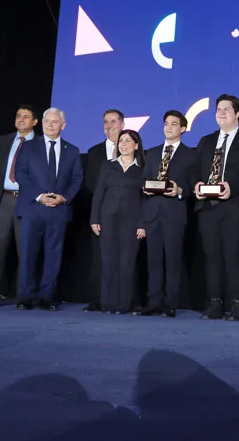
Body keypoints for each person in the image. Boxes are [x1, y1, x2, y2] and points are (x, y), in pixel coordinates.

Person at [193, 94, 239, 321]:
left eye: (226, 109)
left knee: (233, 256)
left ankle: (236, 304)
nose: (221, 113)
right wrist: (196, 184)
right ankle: (214, 303)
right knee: (211, 256)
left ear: (237, 113)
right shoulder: (205, 141)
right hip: (208, 207)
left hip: (235, 207)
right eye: (218, 110)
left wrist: (231, 187)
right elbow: (194, 169)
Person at [15, 107, 83, 311]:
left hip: (58, 210)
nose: (50, 125)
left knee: (54, 256)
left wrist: (64, 197)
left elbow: (76, 178)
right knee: (28, 254)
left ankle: (47, 297)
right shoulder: (28, 147)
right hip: (33, 208)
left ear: (63, 125)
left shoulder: (72, 150)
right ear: (42, 123)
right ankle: (25, 297)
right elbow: (21, 174)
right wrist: (39, 196)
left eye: (55, 122)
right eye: (47, 121)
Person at [137, 110, 196, 318]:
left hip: (174, 213)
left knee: (172, 260)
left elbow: (192, 186)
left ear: (182, 129)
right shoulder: (151, 153)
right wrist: (143, 188)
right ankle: (153, 302)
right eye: (166, 123)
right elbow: (143, 180)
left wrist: (180, 191)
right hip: (152, 212)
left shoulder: (190, 154)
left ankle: (170, 303)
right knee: (153, 261)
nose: (168, 127)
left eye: (173, 124)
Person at [0, 105, 38, 307]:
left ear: (35, 122)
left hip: (27, 201)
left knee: (26, 249)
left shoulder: (40, 144)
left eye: (26, 117)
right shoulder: (2, 141)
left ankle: (25, 294)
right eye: (18, 116)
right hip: (4, 200)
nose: (21, 119)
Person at [90, 130, 146, 314]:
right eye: (121, 141)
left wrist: (142, 223)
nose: (123, 144)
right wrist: (94, 219)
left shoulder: (143, 168)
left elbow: (145, 199)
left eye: (128, 141)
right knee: (108, 262)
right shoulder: (108, 166)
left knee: (127, 263)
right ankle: (108, 303)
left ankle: (124, 305)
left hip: (131, 220)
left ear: (136, 145)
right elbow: (99, 194)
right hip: (108, 218)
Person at [82, 109, 124, 312]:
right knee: (99, 256)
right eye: (106, 122)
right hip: (101, 211)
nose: (109, 125)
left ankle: (120, 299)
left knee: (122, 255)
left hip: (126, 213)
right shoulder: (94, 152)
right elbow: (90, 182)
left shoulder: (135, 150)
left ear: (122, 125)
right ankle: (97, 299)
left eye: (113, 121)